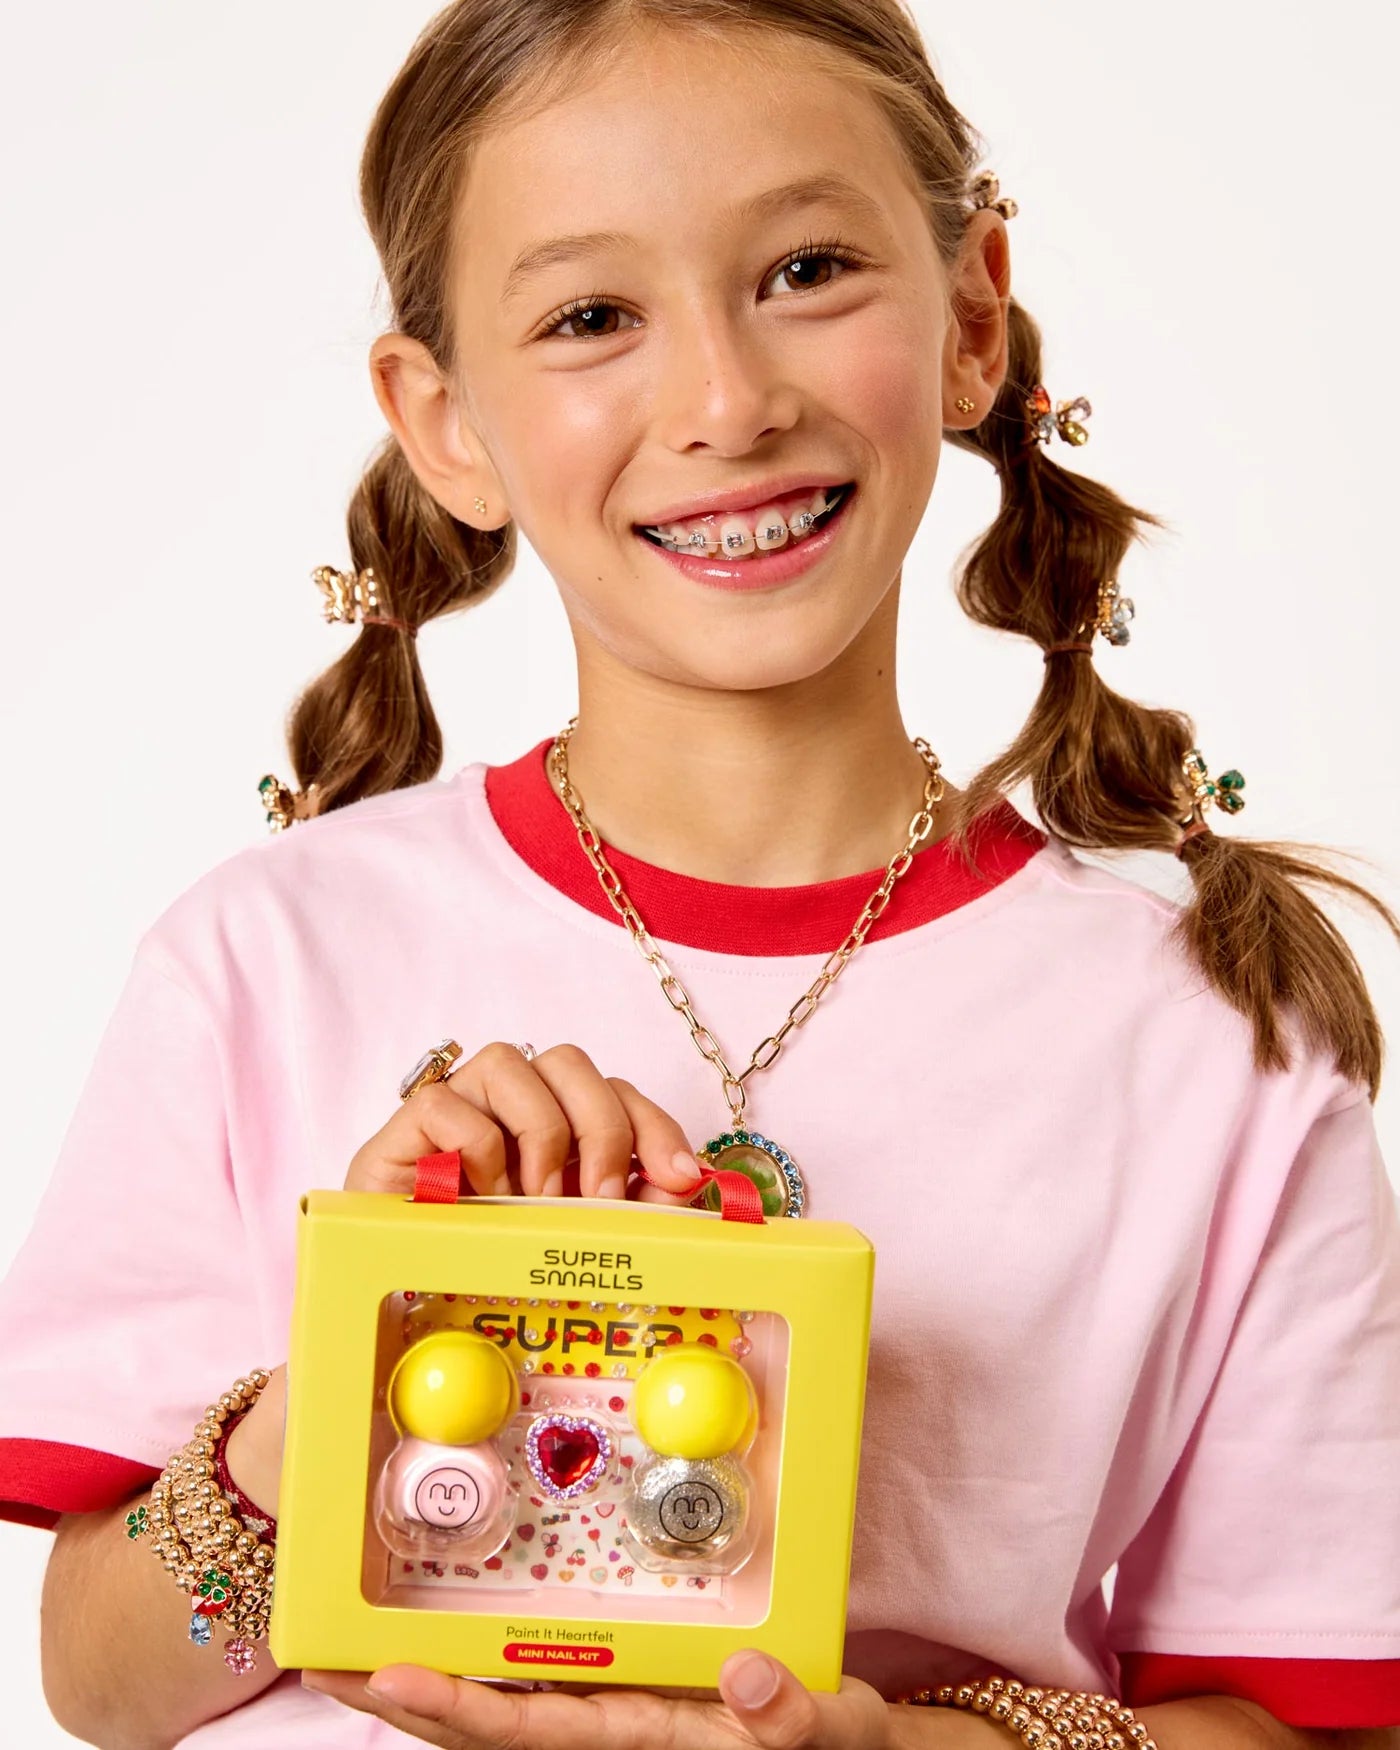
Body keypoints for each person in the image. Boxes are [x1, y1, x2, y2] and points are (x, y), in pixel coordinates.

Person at [3, 0, 1399, 1745]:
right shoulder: (261, 959)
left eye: (807, 270)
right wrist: (330, 1392)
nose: (729, 404)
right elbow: (99, 1681)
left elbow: (1307, 1720)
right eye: (592, 317)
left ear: (972, 319)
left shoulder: (1213, 1041)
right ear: (444, 421)